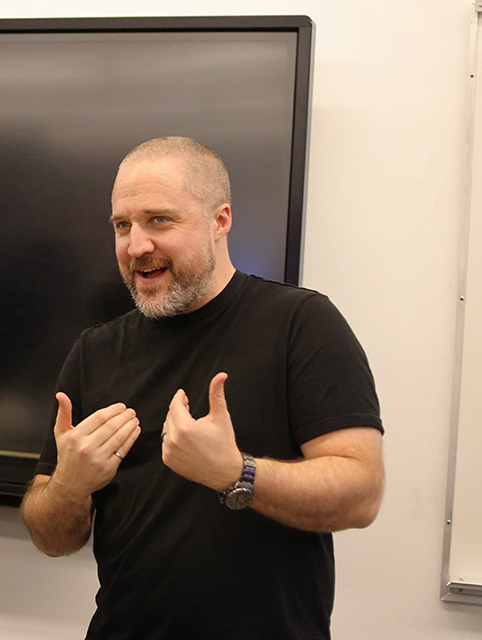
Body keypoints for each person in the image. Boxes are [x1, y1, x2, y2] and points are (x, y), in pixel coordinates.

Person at [20, 137, 384, 639]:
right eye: (122, 225)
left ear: (220, 221)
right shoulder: (95, 350)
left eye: (159, 220)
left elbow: (362, 494)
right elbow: (51, 538)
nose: (136, 246)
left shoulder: (301, 324)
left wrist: (237, 473)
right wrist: (70, 486)